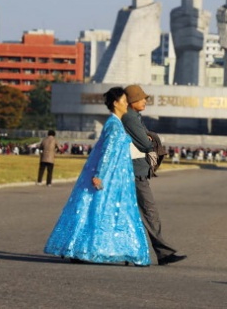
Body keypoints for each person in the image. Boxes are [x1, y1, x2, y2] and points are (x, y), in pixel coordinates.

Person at [44, 87, 150, 265]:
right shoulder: (114, 124)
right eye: (124, 101)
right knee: (107, 212)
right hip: (112, 176)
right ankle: (103, 249)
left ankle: (87, 248)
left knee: (99, 211)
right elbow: (107, 152)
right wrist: (100, 175)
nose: (126, 104)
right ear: (116, 103)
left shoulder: (114, 123)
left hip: (118, 176)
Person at [122, 84, 186, 266]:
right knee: (149, 213)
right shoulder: (130, 118)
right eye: (142, 99)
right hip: (135, 172)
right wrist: (150, 141)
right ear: (133, 100)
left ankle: (135, 252)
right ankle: (162, 253)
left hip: (137, 170)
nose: (145, 102)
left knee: (135, 214)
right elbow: (144, 143)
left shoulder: (134, 116)